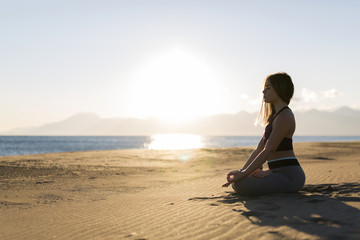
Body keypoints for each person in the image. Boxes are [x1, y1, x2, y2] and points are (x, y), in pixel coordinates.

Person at [222, 72, 305, 196]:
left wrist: (243, 175)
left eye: (268, 87)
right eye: (264, 87)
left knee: (241, 184)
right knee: (239, 182)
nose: (264, 91)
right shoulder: (275, 118)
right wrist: (242, 172)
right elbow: (258, 150)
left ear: (280, 89)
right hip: (277, 172)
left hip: (290, 177)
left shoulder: (285, 116)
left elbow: (268, 150)